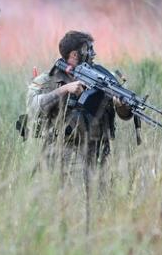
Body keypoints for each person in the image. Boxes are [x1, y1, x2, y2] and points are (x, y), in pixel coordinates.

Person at [27, 30, 132, 172]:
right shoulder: (47, 80)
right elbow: (33, 107)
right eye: (89, 49)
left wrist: (122, 107)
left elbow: (124, 115)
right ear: (74, 54)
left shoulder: (102, 77)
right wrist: (64, 89)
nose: (93, 53)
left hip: (98, 155)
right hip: (63, 156)